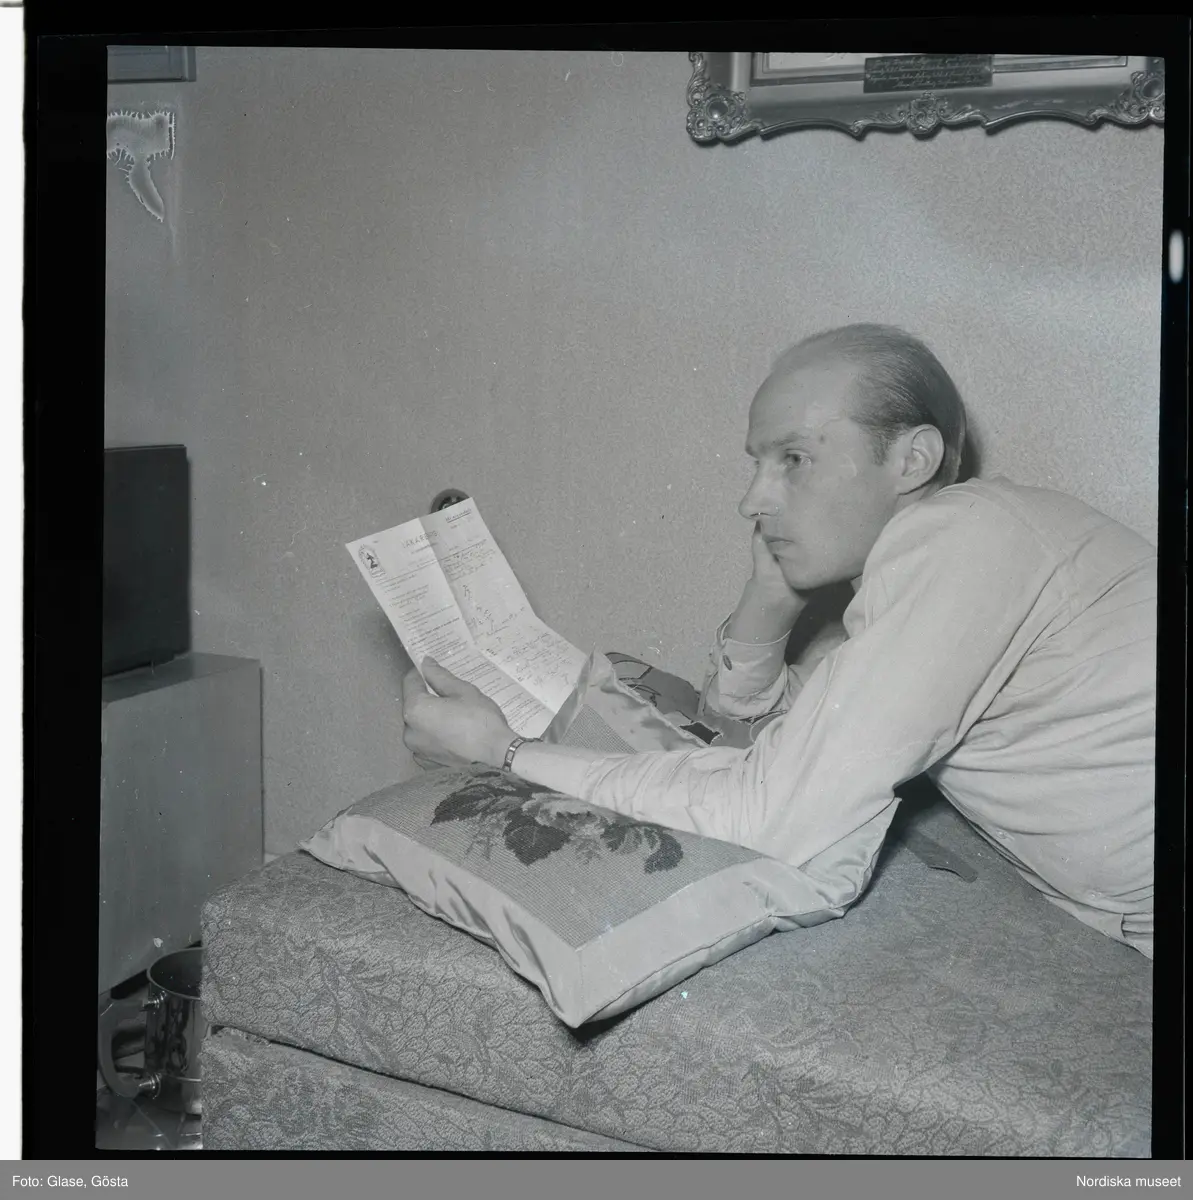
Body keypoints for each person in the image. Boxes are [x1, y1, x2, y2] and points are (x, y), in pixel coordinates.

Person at [402, 324, 1156, 957]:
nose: (751, 500)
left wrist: (504, 753)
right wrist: (766, 604)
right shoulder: (957, 553)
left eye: (794, 459)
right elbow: (765, 738)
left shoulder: (965, 538)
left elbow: (770, 814)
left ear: (913, 460)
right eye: (757, 466)